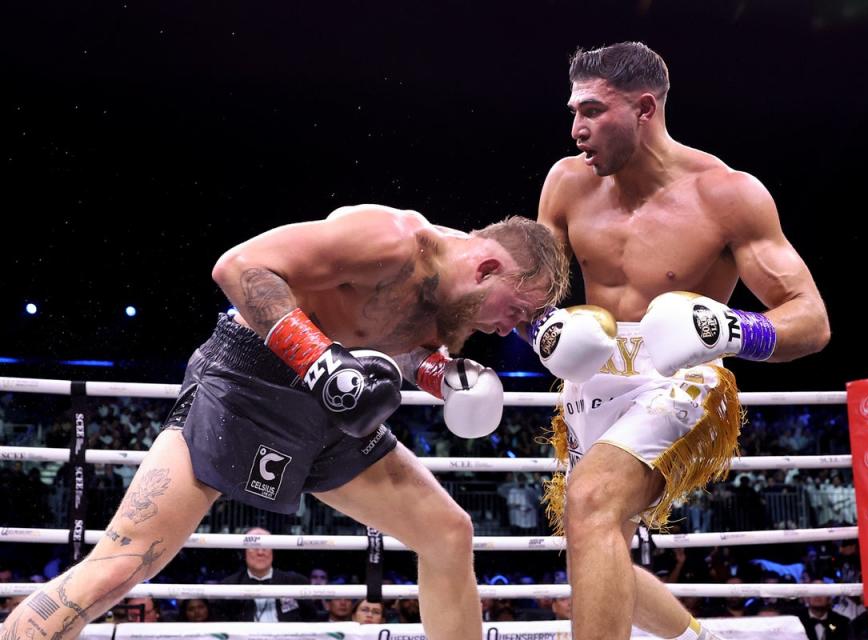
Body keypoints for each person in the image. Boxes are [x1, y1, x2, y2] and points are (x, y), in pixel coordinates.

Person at [0, 204, 568, 640]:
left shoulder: (451, 300)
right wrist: (321, 364)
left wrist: (441, 376)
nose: (507, 330)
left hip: (328, 410)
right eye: (514, 311)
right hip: (248, 385)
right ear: (489, 266)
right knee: (120, 567)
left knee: (448, 533)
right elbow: (239, 266)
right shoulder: (390, 240)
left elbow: (388, 340)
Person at [526, 42, 830, 640]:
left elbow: (811, 321)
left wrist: (733, 329)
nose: (576, 129)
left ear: (644, 108)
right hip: (591, 379)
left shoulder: (726, 194)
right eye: (572, 112)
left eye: (591, 111)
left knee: (590, 503)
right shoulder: (565, 183)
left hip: (680, 379)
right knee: (594, 538)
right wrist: (545, 328)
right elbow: (533, 292)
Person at [215, 527, 318, 622]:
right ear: (244, 552)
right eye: (254, 547)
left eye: (265, 547)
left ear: (272, 551)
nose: (260, 552)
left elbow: (312, 621)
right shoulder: (229, 585)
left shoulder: (295, 582)